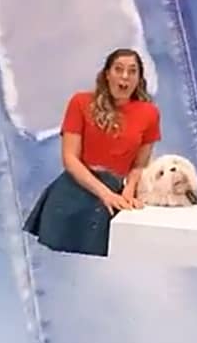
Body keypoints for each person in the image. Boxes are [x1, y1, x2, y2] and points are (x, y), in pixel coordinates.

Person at [23, 49, 161, 256]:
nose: (125, 76)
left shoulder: (149, 113)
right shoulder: (80, 103)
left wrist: (128, 190)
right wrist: (105, 194)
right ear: (107, 74)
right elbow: (70, 159)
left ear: (139, 78)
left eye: (132, 71)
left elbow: (140, 164)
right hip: (73, 194)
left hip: (115, 197)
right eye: (119, 69)